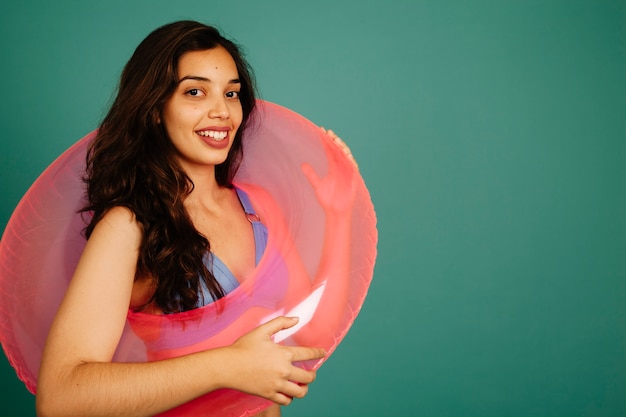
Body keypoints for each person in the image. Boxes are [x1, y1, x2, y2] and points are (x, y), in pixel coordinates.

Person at [34, 20, 356, 417]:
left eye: (232, 93)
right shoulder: (131, 227)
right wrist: (226, 366)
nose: (222, 112)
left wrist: (339, 214)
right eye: (195, 92)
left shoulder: (256, 206)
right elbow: (61, 399)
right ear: (155, 109)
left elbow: (309, 333)